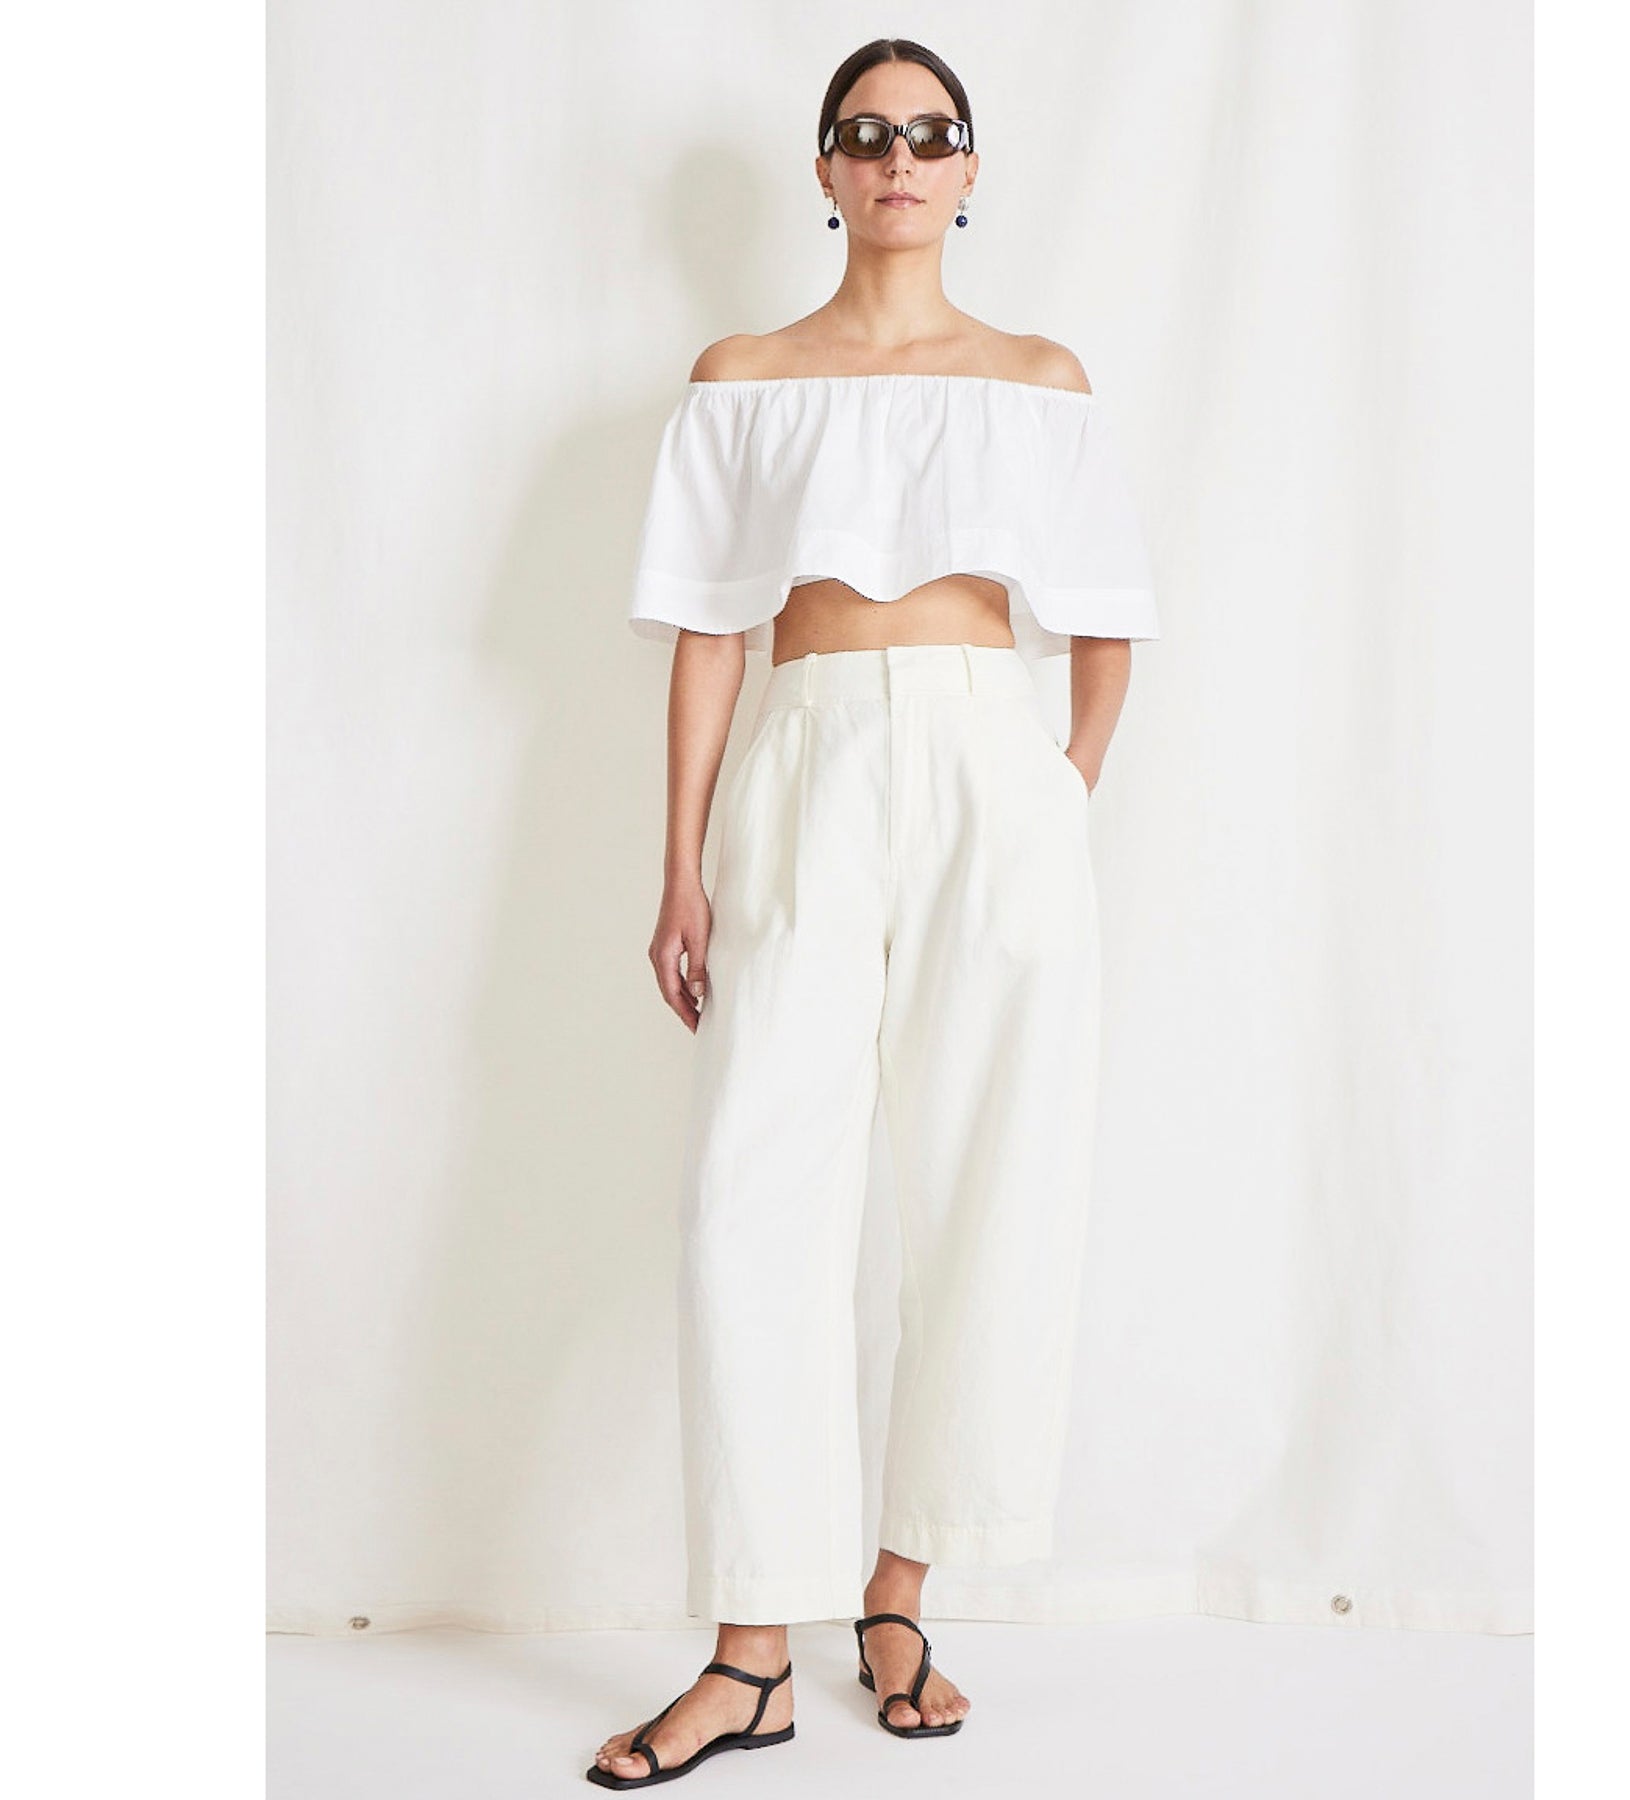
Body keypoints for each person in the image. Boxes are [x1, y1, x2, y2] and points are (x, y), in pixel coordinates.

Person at [590, 35, 1159, 1790]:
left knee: (995, 1181)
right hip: (808, 760)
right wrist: (683, 862)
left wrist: (1053, 794)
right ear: (826, 171)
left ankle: (899, 1593)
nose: (899, 156)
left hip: (994, 771)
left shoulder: (1038, 379)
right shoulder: (745, 378)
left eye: (931, 132)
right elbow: (712, 632)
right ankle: (752, 1648)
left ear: (970, 171)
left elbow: (1106, 619)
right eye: (866, 132)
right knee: (749, 1198)